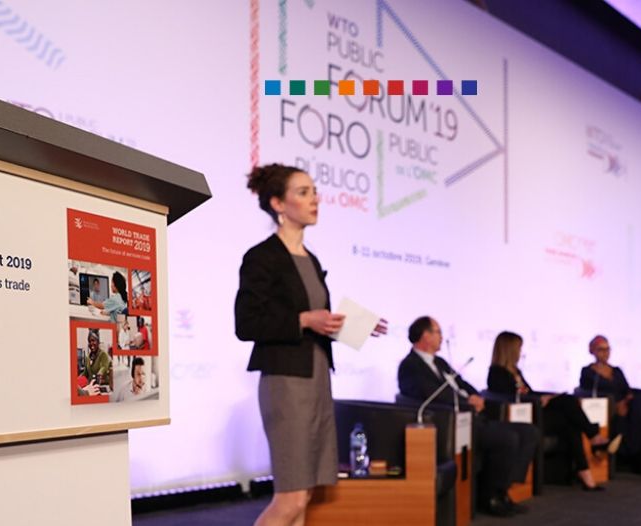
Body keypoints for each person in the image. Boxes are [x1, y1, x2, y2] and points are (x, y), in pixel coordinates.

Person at [235, 163, 385, 526]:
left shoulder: (311, 259)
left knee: (304, 495)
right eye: (303, 193)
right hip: (287, 383)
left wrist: (350, 325)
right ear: (278, 204)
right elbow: (246, 323)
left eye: (314, 191)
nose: (315, 199)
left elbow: (313, 318)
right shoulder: (262, 256)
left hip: (317, 379)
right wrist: (304, 320)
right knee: (290, 497)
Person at [398, 317, 540, 518]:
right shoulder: (410, 366)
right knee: (508, 438)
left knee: (529, 432)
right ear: (425, 336)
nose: (442, 337)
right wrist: (467, 403)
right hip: (450, 423)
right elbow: (432, 394)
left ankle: (504, 488)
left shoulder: (440, 362)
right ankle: (491, 498)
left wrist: (476, 396)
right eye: (438, 332)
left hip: (472, 417)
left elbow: (462, 383)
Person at [486, 331, 611, 491]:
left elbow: (528, 392)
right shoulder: (496, 373)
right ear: (509, 350)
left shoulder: (516, 371)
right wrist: (538, 399)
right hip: (524, 417)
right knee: (569, 411)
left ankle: (585, 470)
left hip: (535, 409)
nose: (521, 352)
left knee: (569, 412)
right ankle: (593, 439)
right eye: (518, 348)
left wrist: (543, 397)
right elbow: (511, 397)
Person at [579, 335, 641, 482]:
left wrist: (627, 399)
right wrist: (616, 405)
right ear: (592, 351)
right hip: (609, 408)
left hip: (628, 406)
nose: (605, 353)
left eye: (608, 349)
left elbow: (627, 390)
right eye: (601, 349)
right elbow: (589, 392)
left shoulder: (617, 370)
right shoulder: (588, 372)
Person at [79, 329, 110, 396]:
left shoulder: (103, 354)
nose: (91, 343)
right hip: (91, 388)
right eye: (89, 341)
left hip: (102, 387)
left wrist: (99, 374)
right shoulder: (88, 357)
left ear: (98, 342)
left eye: (93, 341)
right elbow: (85, 373)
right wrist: (77, 380)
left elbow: (104, 367)